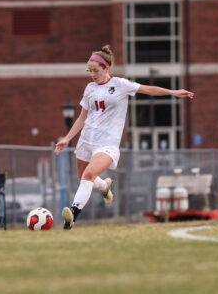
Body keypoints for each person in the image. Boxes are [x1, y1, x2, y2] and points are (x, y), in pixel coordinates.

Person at [55, 45, 194, 229]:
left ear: (107, 68)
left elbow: (148, 89)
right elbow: (82, 117)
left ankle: (72, 214)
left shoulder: (120, 85)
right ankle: (104, 187)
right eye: (90, 71)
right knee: (84, 179)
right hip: (87, 140)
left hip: (107, 144)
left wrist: (172, 92)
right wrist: (66, 138)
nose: (93, 75)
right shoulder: (90, 88)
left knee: (88, 175)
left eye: (96, 71)